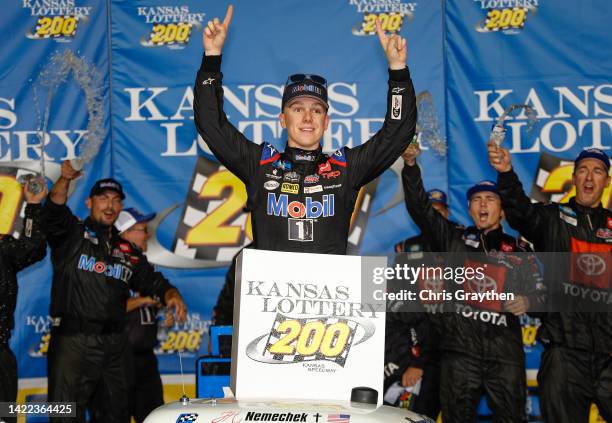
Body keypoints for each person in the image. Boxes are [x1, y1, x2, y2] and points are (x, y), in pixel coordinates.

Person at [193, 5, 417, 254]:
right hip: (270, 292)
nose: (308, 117)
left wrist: (398, 73)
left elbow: (397, 134)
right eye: (297, 109)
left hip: (331, 292)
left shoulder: (345, 170)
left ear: (327, 122)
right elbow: (211, 124)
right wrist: (211, 58)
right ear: (282, 119)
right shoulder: (260, 165)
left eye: (317, 110)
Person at [402, 143, 544, 423]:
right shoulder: (453, 240)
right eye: (476, 199)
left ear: (502, 209)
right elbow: (421, 209)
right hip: (460, 353)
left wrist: (528, 301)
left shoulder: (518, 249)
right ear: (468, 208)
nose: (482, 204)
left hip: (504, 354)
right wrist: (410, 167)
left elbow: (542, 297)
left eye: (490, 199)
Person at [43, 161, 187, 423]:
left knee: (116, 414)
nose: (109, 205)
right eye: (103, 198)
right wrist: (64, 180)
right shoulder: (70, 234)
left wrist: (170, 294)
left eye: (115, 200)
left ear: (120, 207)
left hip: (115, 345)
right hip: (74, 342)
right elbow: (53, 211)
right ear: (89, 202)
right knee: (65, 417)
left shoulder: (126, 250)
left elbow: (150, 279)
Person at [488, 143, 612, 422]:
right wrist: (506, 173)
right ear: (574, 177)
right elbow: (520, 213)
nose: (590, 177)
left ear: (606, 180)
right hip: (563, 356)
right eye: (583, 170)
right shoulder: (552, 218)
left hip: (608, 356)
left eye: (598, 171)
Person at [384, 186, 452, 418]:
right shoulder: (408, 248)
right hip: (425, 345)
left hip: (460, 344)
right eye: (430, 211)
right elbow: (397, 302)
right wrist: (417, 359)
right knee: (419, 413)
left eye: (439, 211)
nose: (434, 217)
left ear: (448, 215)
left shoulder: (460, 244)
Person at [114, 207, 167, 423]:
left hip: (146, 359)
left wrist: (163, 311)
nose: (148, 234)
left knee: (154, 417)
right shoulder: (111, 265)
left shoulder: (145, 268)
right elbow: (106, 307)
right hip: (117, 359)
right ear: (125, 234)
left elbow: (150, 307)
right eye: (143, 229)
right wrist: (145, 299)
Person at [0, 180, 47, 423]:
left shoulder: (2, 248)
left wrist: (33, 204)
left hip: (0, 353)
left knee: (5, 416)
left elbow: (34, 248)